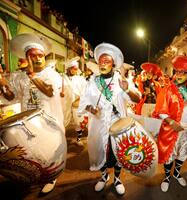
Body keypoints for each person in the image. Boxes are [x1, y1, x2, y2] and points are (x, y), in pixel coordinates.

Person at [77, 42, 140, 195]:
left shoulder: (121, 80)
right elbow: (83, 102)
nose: (103, 64)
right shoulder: (92, 82)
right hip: (98, 124)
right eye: (101, 61)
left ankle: (117, 179)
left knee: (118, 152)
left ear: (113, 64)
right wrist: (91, 108)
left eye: (107, 61)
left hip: (117, 124)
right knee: (100, 151)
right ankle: (104, 177)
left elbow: (136, 99)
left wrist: (128, 90)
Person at [9, 33, 65, 194]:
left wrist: (32, 75)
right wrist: (2, 82)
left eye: (41, 55)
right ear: (27, 57)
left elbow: (48, 91)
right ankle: (36, 175)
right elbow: (11, 97)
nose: (38, 58)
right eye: (33, 55)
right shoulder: (19, 77)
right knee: (33, 149)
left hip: (49, 121)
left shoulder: (51, 74)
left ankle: (51, 176)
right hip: (28, 122)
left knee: (50, 148)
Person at [152, 55, 187, 192]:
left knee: (182, 153)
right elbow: (160, 109)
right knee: (170, 155)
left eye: (183, 72)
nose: (179, 75)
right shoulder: (168, 89)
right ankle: (167, 177)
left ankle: (176, 173)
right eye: (177, 72)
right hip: (171, 129)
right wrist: (171, 122)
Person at [64, 57, 88, 145]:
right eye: (74, 68)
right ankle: (63, 140)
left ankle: (79, 139)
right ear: (69, 69)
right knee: (64, 122)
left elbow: (85, 91)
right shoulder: (63, 78)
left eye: (76, 68)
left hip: (76, 105)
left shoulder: (80, 79)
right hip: (65, 104)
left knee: (78, 123)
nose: (76, 70)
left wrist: (79, 99)